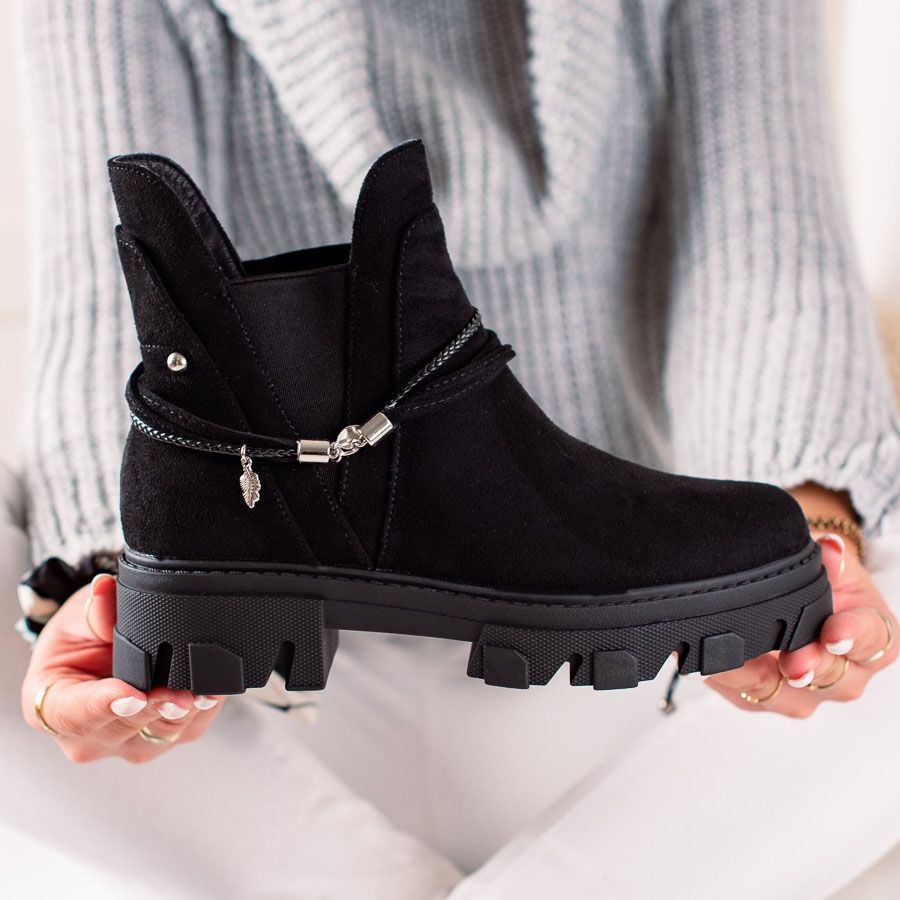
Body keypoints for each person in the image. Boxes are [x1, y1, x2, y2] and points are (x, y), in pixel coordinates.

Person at [10, 1, 900, 897]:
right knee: (53, 576)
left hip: (613, 631)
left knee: (848, 543)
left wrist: (814, 522)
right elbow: (112, 290)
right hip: (285, 680)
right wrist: (101, 581)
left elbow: (761, 225)